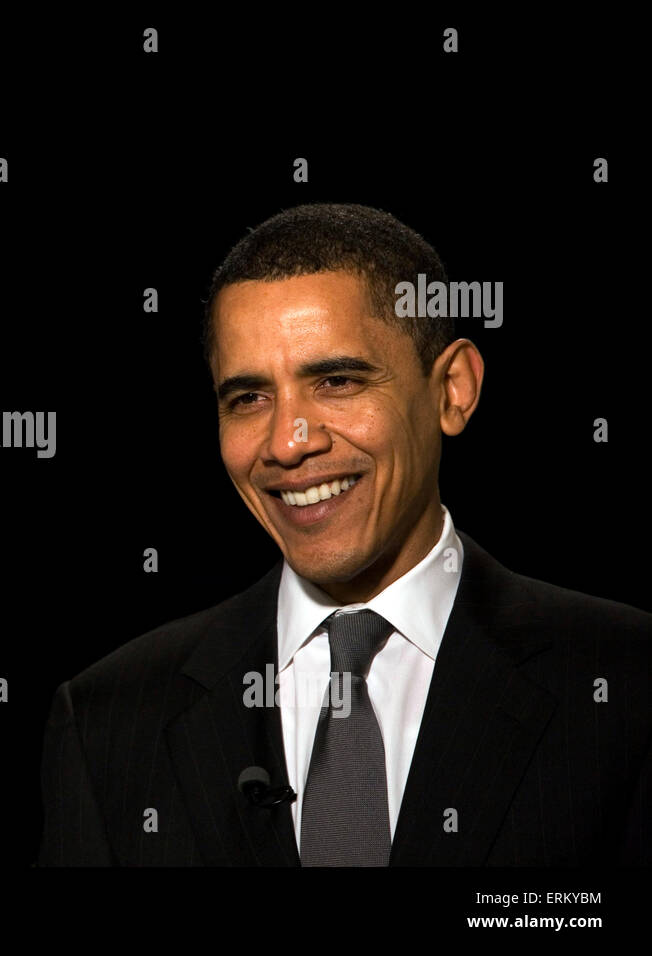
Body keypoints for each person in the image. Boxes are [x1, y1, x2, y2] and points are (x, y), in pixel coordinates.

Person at [36, 203, 651, 866]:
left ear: (452, 390)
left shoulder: (629, 684)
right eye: (249, 398)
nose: (286, 443)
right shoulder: (108, 723)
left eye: (336, 381)